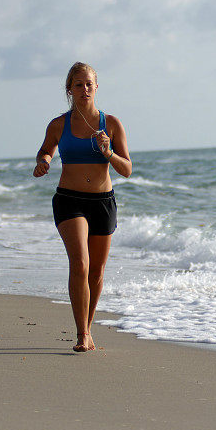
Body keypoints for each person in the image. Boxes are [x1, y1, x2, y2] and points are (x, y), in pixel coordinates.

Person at [33, 62, 132, 352]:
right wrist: (44, 162)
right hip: (69, 199)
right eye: (78, 84)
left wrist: (109, 152)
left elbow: (126, 169)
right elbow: (46, 149)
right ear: (70, 89)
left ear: (96, 86)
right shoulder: (59, 124)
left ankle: (88, 328)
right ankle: (81, 335)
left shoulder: (111, 124)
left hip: (102, 202)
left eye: (89, 83)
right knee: (80, 263)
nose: (84, 89)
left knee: (97, 272)